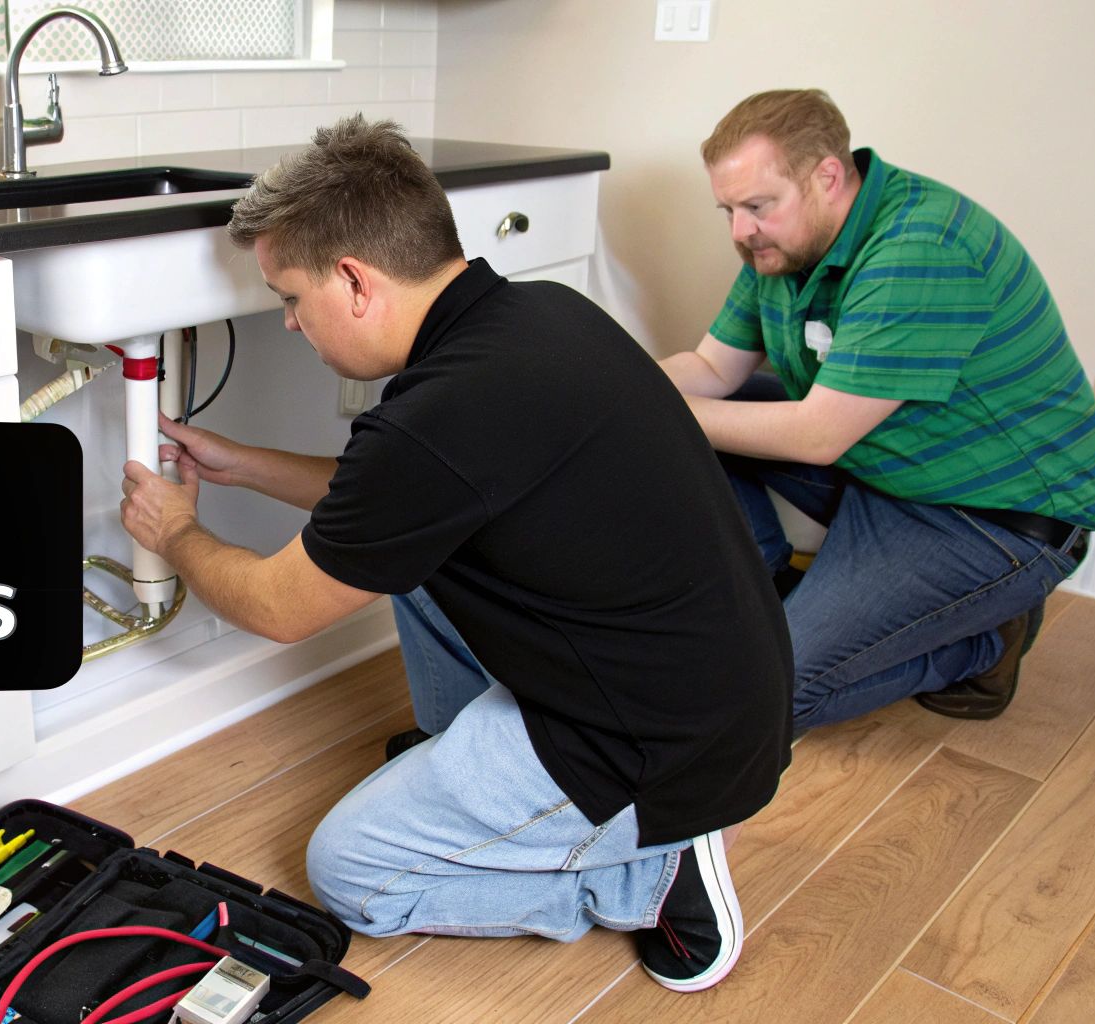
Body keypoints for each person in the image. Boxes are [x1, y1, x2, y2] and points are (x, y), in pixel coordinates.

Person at [119, 115, 792, 993]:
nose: (287, 322)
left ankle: (654, 877)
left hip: (652, 753)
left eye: (290, 297)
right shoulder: (540, 315)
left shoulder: (436, 419)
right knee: (414, 559)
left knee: (350, 873)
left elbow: (277, 608)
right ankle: (491, 785)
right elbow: (394, 502)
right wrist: (241, 464)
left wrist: (175, 533)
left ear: (353, 281)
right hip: (719, 690)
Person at [660, 89, 1095, 731]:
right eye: (728, 210)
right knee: (679, 418)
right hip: (885, 462)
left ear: (827, 176)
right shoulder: (784, 245)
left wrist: (645, 409)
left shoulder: (919, 248)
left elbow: (816, 436)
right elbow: (712, 370)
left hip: (992, 517)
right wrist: (619, 390)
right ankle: (762, 590)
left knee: (761, 698)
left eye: (757, 206)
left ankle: (983, 643)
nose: (740, 230)